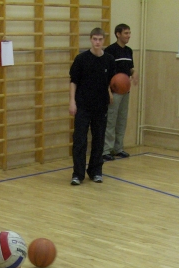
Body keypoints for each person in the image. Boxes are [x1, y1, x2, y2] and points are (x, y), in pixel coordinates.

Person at [68, 28, 115, 186]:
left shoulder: (109, 59)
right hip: (83, 105)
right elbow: (73, 81)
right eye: (95, 39)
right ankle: (78, 174)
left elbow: (110, 81)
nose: (97, 42)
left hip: (101, 106)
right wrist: (72, 101)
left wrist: (110, 92)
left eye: (100, 39)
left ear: (104, 40)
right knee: (80, 140)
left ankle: (96, 171)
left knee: (99, 140)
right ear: (90, 39)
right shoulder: (81, 59)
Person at [102, 24, 137, 162]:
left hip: (125, 91)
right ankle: (106, 150)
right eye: (126, 33)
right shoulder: (110, 51)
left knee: (122, 120)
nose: (128, 36)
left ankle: (118, 148)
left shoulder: (129, 51)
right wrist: (108, 92)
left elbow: (130, 68)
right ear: (118, 34)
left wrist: (134, 73)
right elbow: (105, 73)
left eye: (129, 33)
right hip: (114, 91)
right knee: (111, 120)